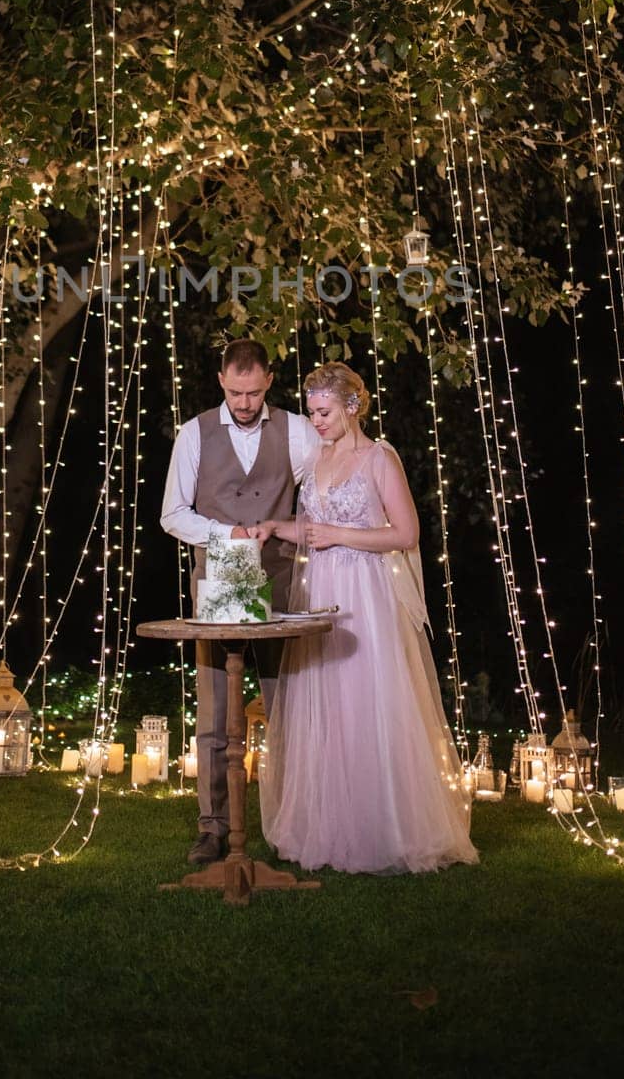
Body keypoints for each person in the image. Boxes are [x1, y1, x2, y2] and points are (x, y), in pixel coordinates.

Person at [252, 363, 477, 875]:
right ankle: (326, 826)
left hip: (364, 596)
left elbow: (405, 535)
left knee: (367, 700)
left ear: (352, 407)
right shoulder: (318, 461)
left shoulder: (379, 459)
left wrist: (340, 536)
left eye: (324, 412)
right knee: (323, 699)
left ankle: (385, 829)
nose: (317, 423)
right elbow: (313, 527)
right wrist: (274, 527)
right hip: (322, 590)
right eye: (311, 413)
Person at [160, 339, 320, 865]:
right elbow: (173, 513)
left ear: (269, 380)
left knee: (288, 706)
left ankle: (294, 822)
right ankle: (213, 825)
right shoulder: (195, 433)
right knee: (214, 710)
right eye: (234, 392)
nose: (244, 403)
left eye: (252, 393)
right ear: (221, 381)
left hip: (280, 581)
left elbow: (322, 493)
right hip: (218, 585)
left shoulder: (298, 431)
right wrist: (225, 533)